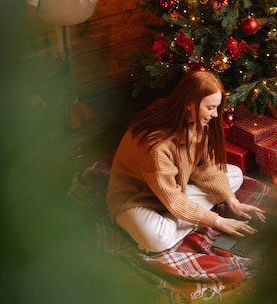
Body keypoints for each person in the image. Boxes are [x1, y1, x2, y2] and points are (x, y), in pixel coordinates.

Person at [106, 70, 266, 253]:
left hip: (174, 188)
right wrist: (217, 221)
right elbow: (173, 199)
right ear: (190, 103)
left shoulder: (197, 123)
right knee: (156, 240)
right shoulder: (156, 147)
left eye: (216, 108)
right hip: (139, 199)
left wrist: (232, 200)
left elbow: (206, 166)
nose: (215, 115)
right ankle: (183, 216)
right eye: (210, 107)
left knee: (234, 174)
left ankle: (184, 216)